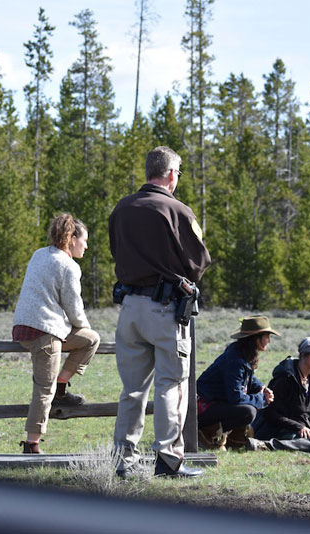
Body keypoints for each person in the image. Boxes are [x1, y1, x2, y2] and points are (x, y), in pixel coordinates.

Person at [110, 145, 211, 478]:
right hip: (164, 309)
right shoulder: (178, 210)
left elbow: (115, 251)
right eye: (178, 173)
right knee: (171, 384)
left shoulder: (121, 209)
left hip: (129, 309)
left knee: (133, 389)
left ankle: (123, 459)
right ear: (171, 174)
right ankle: (168, 459)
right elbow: (199, 263)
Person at [12, 213, 100, 454]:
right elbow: (74, 307)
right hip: (45, 331)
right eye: (84, 240)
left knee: (91, 340)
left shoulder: (39, 254)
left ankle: (62, 387)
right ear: (72, 239)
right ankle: (32, 444)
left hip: (24, 327)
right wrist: (83, 325)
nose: (86, 245)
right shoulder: (69, 266)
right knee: (43, 388)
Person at [195, 315, 277, 451]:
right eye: (267, 336)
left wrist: (261, 388)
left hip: (215, 404)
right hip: (203, 409)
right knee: (248, 411)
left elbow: (246, 379)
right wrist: (261, 398)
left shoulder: (242, 353)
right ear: (256, 338)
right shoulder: (236, 360)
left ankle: (232, 439)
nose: (269, 340)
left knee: (251, 406)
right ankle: (207, 432)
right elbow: (236, 397)